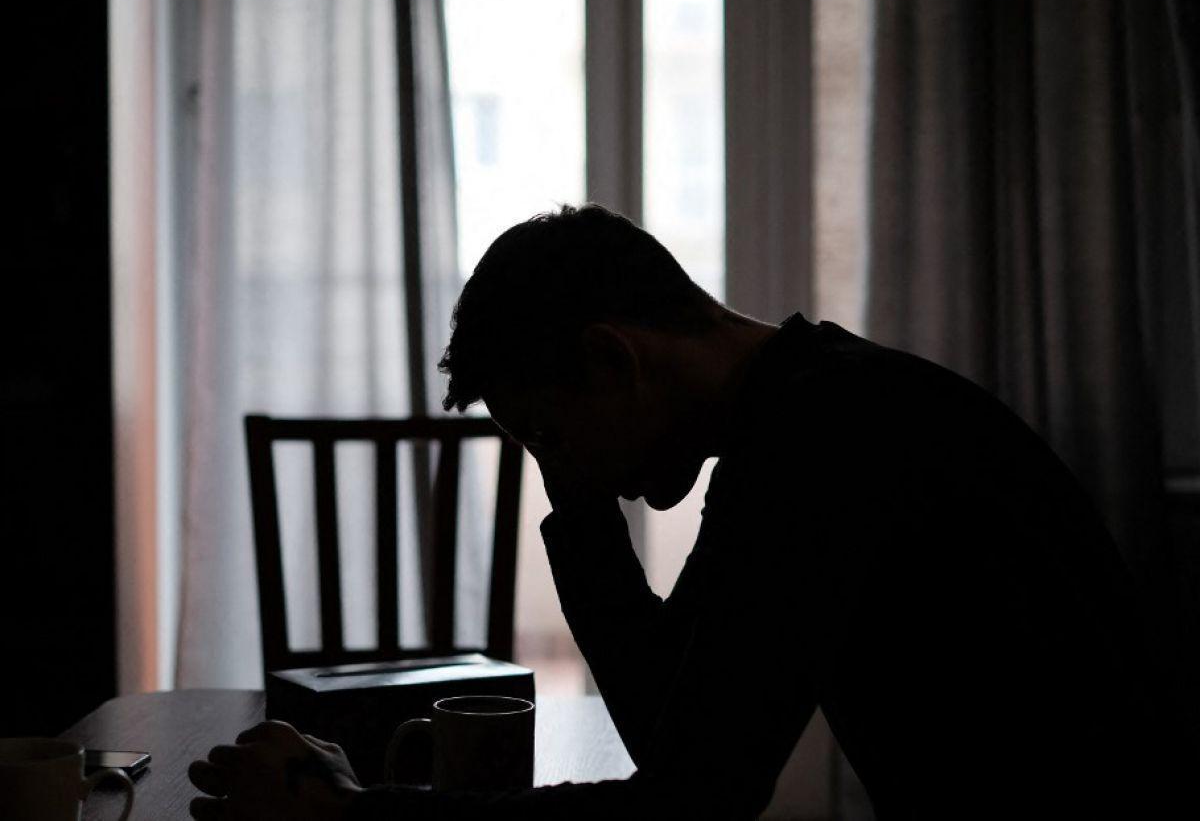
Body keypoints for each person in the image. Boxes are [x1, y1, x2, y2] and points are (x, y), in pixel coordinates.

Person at [189, 204, 1193, 820]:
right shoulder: (798, 415)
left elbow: (688, 807)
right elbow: (673, 733)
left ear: (612, 360)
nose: (556, 473)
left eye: (549, 437)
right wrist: (582, 507)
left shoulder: (824, 438)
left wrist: (354, 815)